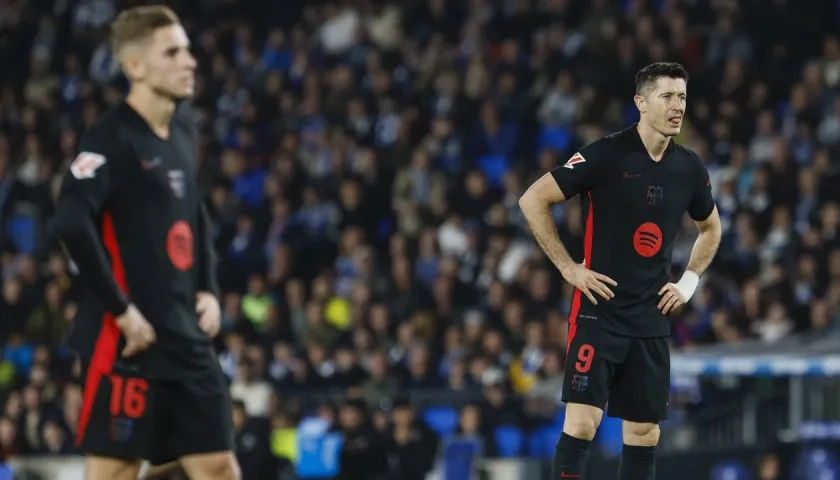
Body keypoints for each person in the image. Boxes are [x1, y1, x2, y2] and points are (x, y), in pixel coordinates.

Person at [53, 6, 239, 480]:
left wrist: (209, 288)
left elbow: (193, 212)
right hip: (130, 341)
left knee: (218, 466)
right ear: (135, 66)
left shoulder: (183, 128)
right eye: (173, 52)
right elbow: (72, 220)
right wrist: (121, 310)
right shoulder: (110, 137)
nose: (190, 60)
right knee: (116, 474)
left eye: (188, 49)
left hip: (186, 336)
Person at [518, 62, 722, 479]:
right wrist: (568, 268)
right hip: (599, 312)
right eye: (667, 96)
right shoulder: (606, 154)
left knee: (645, 433)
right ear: (641, 102)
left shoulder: (689, 168)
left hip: (651, 317)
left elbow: (711, 227)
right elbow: (532, 199)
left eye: (682, 96)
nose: (677, 105)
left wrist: (688, 281)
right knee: (581, 425)